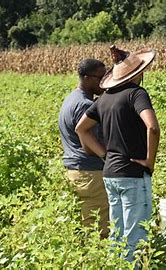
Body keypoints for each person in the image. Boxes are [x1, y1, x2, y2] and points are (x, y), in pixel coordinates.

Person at [75, 45, 160, 261]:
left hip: (110, 174)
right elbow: (152, 127)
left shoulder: (104, 98)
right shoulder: (136, 94)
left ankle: (116, 265)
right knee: (136, 235)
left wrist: (105, 155)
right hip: (132, 174)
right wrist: (149, 161)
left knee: (118, 233)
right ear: (138, 72)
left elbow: (81, 129)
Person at [58, 58, 109, 238]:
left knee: (84, 225)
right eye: (100, 78)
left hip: (76, 172)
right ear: (87, 78)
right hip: (91, 174)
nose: (104, 82)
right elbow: (89, 146)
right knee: (98, 231)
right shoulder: (85, 106)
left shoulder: (72, 98)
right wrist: (107, 155)